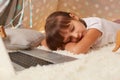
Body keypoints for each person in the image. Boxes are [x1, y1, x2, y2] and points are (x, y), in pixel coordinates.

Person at [41, 11, 120, 54]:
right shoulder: (79, 25)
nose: (75, 36)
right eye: (69, 39)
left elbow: (78, 50)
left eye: (72, 29)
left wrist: (63, 45)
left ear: (74, 17)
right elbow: (44, 42)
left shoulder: (95, 27)